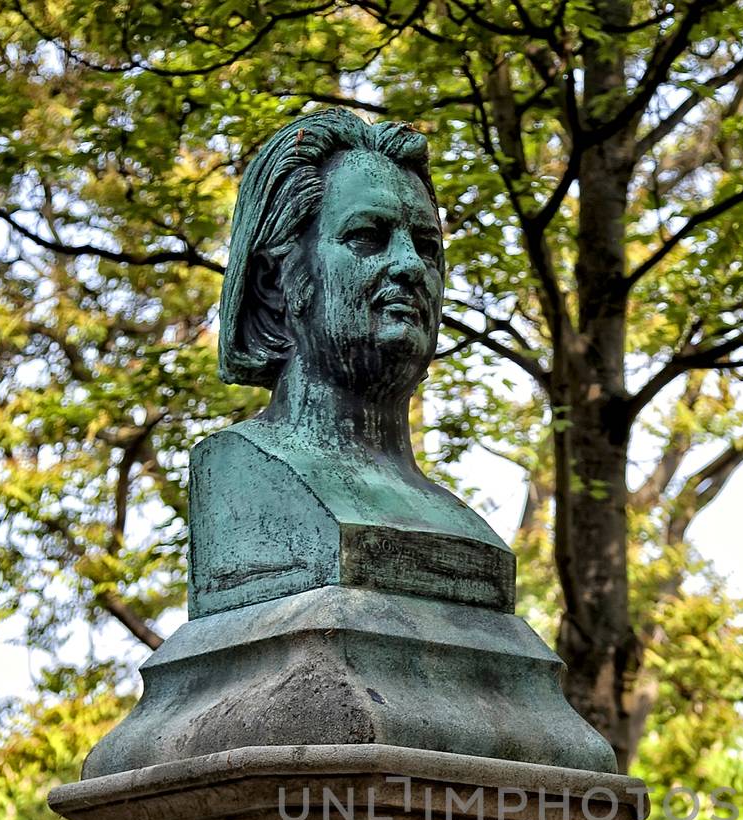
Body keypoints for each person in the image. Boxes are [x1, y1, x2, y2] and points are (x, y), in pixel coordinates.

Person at [190, 109, 512, 619]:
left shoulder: (457, 520)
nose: (410, 265)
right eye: (367, 236)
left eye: (427, 247)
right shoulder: (246, 476)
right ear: (276, 283)